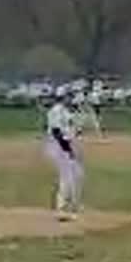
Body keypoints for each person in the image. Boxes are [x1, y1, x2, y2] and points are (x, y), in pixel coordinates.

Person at [43, 89, 84, 221]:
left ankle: (71, 205)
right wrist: (67, 149)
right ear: (62, 97)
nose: (71, 99)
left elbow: (71, 131)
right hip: (57, 146)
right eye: (68, 96)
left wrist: (76, 130)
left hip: (65, 146)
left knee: (77, 174)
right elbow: (56, 131)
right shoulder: (56, 110)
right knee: (67, 176)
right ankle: (62, 208)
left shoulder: (67, 112)